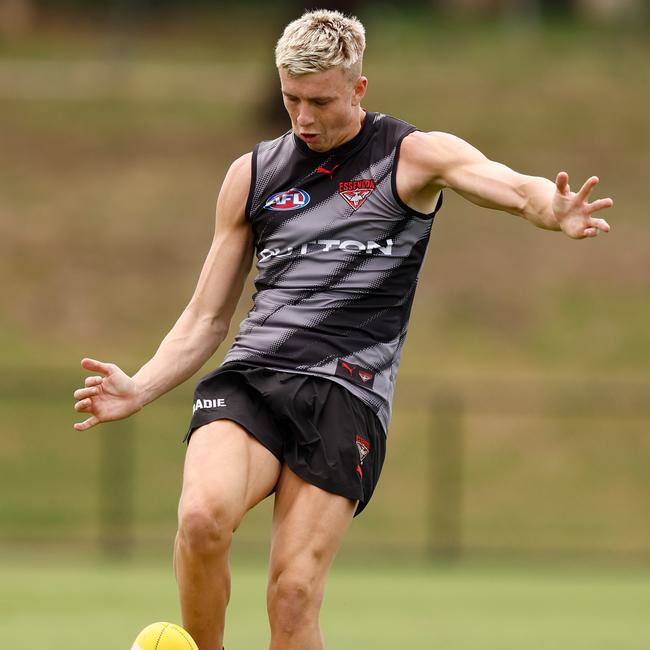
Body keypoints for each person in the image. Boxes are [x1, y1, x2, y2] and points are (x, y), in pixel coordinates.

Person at [73, 9, 613, 650]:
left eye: (321, 101)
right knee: (200, 519)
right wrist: (140, 387)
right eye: (290, 99)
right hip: (253, 376)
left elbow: (507, 184)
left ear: (357, 89)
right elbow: (207, 318)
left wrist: (550, 208)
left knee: (294, 595)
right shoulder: (254, 175)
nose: (304, 118)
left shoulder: (409, 156)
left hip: (345, 394)